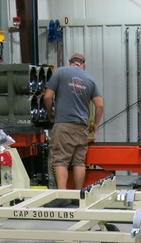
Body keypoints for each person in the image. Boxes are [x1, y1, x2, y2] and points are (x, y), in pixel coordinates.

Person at [43, 53, 103, 191]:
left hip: (63, 125)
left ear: (70, 62)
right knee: (79, 162)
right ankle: (78, 195)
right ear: (84, 64)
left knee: (61, 161)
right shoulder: (90, 79)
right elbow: (99, 105)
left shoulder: (60, 72)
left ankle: (63, 194)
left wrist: (51, 113)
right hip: (82, 127)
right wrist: (95, 124)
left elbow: (47, 97)